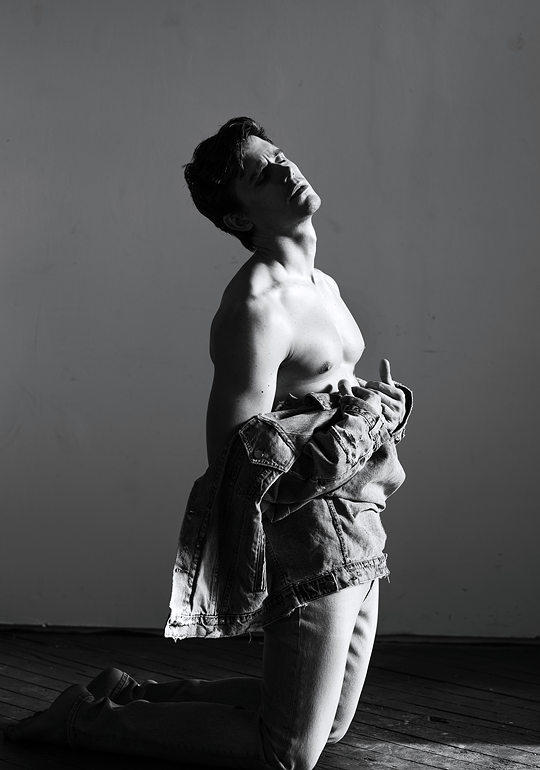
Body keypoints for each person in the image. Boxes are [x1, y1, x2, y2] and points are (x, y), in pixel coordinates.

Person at [4, 117, 412, 769]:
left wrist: (373, 404)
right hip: (315, 532)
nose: (284, 168)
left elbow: (323, 398)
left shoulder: (322, 285)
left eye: (279, 155)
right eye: (260, 173)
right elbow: (237, 456)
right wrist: (354, 423)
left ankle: (129, 696)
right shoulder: (258, 306)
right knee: (285, 753)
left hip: (365, 516)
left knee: (330, 726)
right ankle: (83, 719)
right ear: (238, 217)